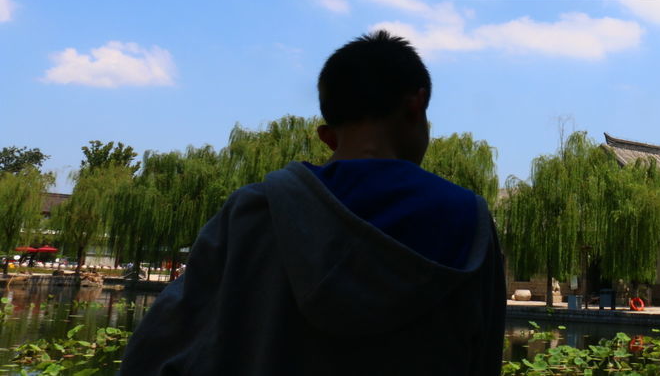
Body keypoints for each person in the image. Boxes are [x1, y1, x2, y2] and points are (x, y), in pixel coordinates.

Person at [120, 31, 506, 375]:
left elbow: (157, 349)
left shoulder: (254, 212)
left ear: (327, 136)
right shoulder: (469, 220)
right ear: (416, 104)